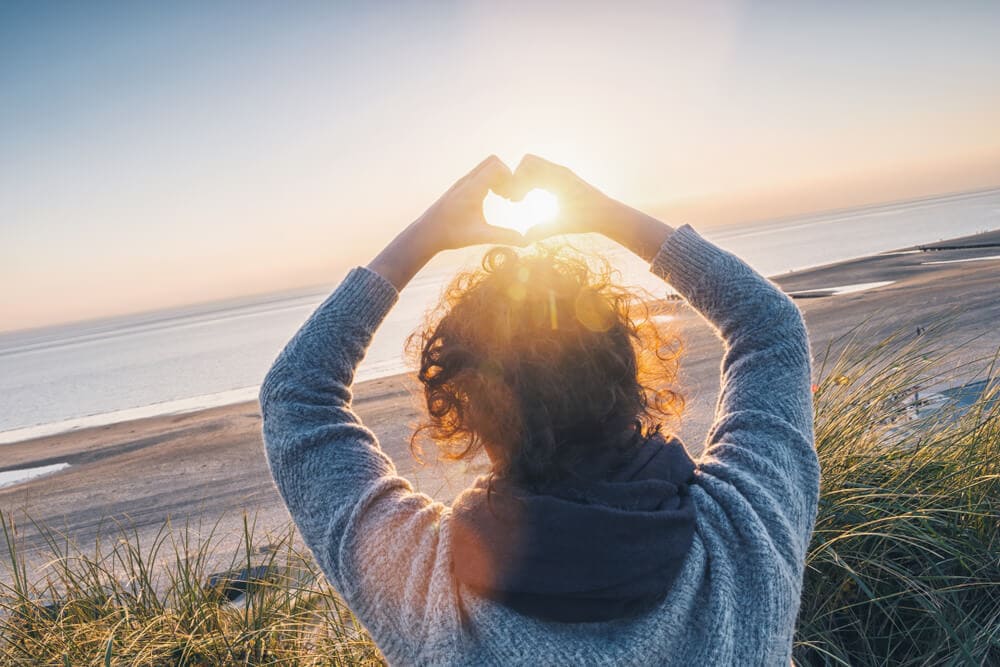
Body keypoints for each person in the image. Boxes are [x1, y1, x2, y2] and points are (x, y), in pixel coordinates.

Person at [260, 155, 820, 665]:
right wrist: (606, 214)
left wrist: (424, 238)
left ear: (467, 411)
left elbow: (296, 397)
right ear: (627, 375)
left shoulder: (432, 591)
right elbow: (768, 326)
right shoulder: (744, 529)